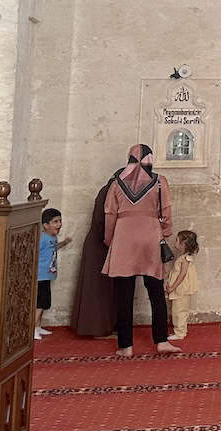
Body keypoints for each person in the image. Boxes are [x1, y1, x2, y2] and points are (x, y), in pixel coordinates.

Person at [102, 143, 179, 356]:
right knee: (156, 292)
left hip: (123, 239)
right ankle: (161, 341)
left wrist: (110, 240)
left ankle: (126, 346)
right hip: (150, 237)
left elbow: (110, 215)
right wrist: (163, 232)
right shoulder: (160, 182)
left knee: (123, 295)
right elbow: (166, 213)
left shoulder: (116, 184)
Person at [70, 180, 116, 338]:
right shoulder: (109, 192)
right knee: (97, 288)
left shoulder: (107, 190)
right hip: (100, 245)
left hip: (101, 245)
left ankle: (101, 326)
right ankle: (96, 328)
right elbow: (103, 221)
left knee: (101, 287)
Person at [34, 208, 69, 339]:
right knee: (40, 302)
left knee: (45, 302)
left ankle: (38, 326)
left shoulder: (52, 237)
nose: (59, 224)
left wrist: (64, 243)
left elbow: (53, 248)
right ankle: (33, 328)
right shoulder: (42, 238)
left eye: (60, 221)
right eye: (55, 222)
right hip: (40, 275)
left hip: (48, 274)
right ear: (46, 225)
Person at [165, 230, 200, 341]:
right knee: (176, 310)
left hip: (181, 289)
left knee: (180, 311)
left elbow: (182, 274)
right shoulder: (182, 257)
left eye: (176, 240)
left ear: (183, 244)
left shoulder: (185, 259)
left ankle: (180, 333)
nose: (174, 243)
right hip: (179, 289)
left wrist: (172, 287)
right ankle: (179, 330)